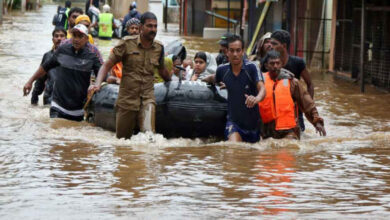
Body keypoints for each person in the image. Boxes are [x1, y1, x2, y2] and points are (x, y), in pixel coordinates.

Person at [89, 12, 171, 139]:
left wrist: (174, 82)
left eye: (155, 26)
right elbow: (106, 65)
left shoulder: (159, 48)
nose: (153, 29)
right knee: (122, 141)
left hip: (147, 98)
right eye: (149, 26)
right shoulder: (126, 44)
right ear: (141, 27)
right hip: (127, 99)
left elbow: (162, 70)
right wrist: (97, 84)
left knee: (149, 137)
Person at [23, 24, 103, 121]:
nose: (76, 39)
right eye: (74, 35)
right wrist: (30, 81)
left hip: (78, 109)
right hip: (57, 105)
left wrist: (96, 84)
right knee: (55, 132)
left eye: (80, 36)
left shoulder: (92, 57)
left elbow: (103, 73)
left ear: (86, 39)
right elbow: (45, 67)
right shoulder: (62, 51)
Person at [203, 35, 266, 143]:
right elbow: (213, 78)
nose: (235, 54)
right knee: (234, 149)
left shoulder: (252, 68)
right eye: (232, 51)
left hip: (253, 125)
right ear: (227, 52)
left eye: (238, 50)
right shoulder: (222, 70)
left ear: (243, 51)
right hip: (234, 123)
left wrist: (256, 99)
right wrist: (199, 80)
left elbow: (262, 89)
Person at [259, 50, 326, 139]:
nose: (275, 66)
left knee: (289, 146)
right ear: (266, 65)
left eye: (277, 63)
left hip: (288, 131)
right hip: (266, 131)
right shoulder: (259, 82)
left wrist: (317, 121)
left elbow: (307, 103)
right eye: (272, 63)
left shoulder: (292, 83)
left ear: (281, 64)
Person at [269, 30, 314, 132]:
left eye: (274, 44)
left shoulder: (297, 63)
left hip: (295, 111)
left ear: (284, 46)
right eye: (270, 43)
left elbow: (310, 84)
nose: (270, 46)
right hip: (275, 110)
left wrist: (307, 106)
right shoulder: (268, 63)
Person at [30, 27, 67, 105]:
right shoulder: (47, 56)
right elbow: (41, 78)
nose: (59, 38)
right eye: (56, 36)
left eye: (62, 36)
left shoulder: (71, 56)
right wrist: (34, 96)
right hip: (49, 98)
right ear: (53, 39)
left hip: (65, 98)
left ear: (66, 39)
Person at [106, 18, 141, 85]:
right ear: (128, 30)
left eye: (137, 28)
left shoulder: (142, 47)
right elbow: (110, 72)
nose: (134, 30)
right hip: (119, 77)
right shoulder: (120, 46)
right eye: (132, 28)